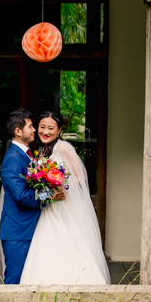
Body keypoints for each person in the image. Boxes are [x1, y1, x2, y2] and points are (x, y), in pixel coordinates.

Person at [20, 111, 111, 285]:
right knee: (48, 244)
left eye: (51, 128)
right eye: (42, 127)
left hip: (63, 205)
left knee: (67, 241)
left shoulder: (62, 147)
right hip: (50, 206)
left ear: (59, 130)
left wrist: (61, 185)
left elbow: (81, 175)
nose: (45, 132)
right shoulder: (43, 149)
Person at [0, 108, 65, 285]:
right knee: (14, 279)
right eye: (30, 126)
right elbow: (20, 195)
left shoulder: (26, 154)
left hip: (28, 228)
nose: (35, 130)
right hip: (18, 231)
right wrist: (49, 194)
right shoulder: (13, 157)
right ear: (18, 131)